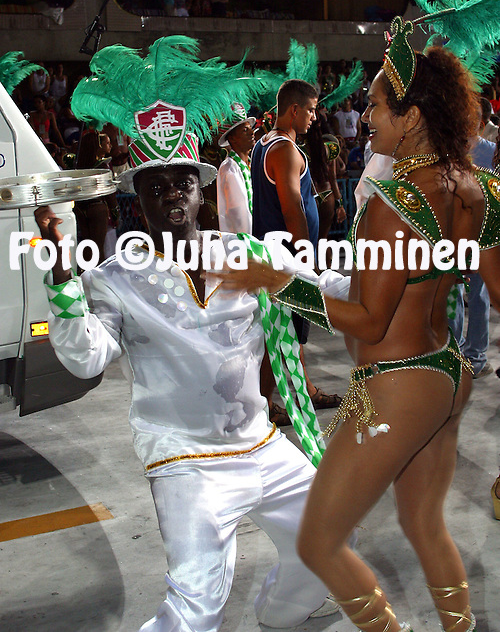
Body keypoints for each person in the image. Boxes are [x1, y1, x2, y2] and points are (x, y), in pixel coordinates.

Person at [215, 4, 500, 630]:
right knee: (424, 527)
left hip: (396, 385)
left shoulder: (391, 204)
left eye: (374, 107)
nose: (363, 118)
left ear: (413, 117)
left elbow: (368, 323)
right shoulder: (479, 188)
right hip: (450, 378)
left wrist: (280, 283)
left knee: (318, 545)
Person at [34, 123, 341, 632]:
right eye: (156, 187)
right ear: (138, 199)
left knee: (332, 539)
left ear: (202, 191)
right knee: (198, 608)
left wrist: (414, 269)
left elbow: (330, 286)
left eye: (182, 183)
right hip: (186, 459)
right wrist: (62, 278)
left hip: (262, 444)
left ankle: (283, 612)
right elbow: (85, 358)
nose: (172, 194)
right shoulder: (114, 277)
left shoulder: (246, 253)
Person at [251, 79, 342, 425]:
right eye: (311, 109)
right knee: (278, 335)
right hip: (288, 260)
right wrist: (308, 260)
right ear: (294, 110)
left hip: (275, 255)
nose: (314, 117)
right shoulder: (284, 150)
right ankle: (261, 406)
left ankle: (304, 391)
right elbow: (293, 210)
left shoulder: (264, 145)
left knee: (288, 331)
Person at [449, 120, 496, 378]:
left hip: (468, 233)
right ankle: (472, 356)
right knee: (474, 296)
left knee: (462, 293)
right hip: (473, 233)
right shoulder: (489, 149)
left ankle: (463, 355)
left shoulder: (446, 149)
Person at [73, 130, 120, 264]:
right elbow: (109, 193)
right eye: (107, 143)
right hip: (97, 207)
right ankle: (99, 276)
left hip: (81, 208)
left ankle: (86, 271)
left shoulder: (79, 164)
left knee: (88, 244)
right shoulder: (103, 166)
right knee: (98, 247)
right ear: (98, 145)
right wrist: (115, 212)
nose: (110, 146)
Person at [216, 103, 256, 234]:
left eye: (250, 128)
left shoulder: (249, 164)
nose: (252, 132)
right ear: (232, 138)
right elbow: (239, 216)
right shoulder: (229, 168)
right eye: (245, 130)